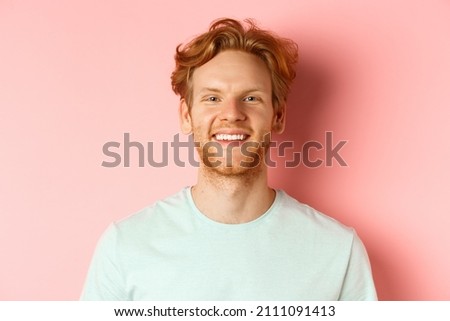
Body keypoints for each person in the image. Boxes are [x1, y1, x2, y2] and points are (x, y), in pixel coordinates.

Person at [80, 18, 377, 300]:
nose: (232, 113)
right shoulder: (125, 245)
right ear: (186, 116)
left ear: (278, 116)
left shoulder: (337, 250)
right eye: (212, 98)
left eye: (251, 98)